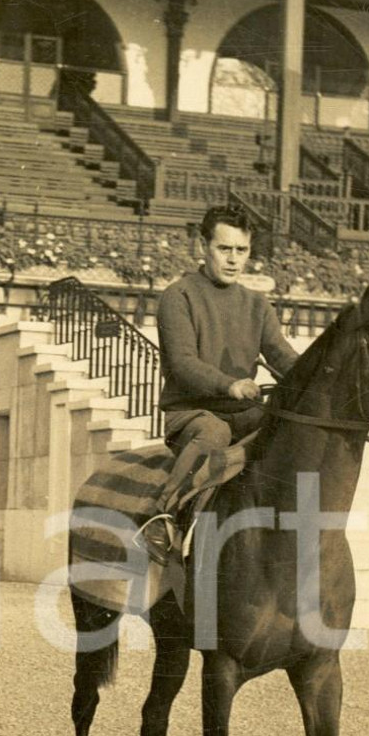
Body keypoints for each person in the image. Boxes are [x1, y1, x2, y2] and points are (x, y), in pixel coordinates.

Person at [140, 204, 301, 563]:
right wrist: (230, 385)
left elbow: (281, 354)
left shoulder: (257, 304)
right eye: (224, 248)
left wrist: (314, 377)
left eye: (241, 250)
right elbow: (182, 364)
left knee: (286, 430)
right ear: (203, 246)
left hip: (244, 412)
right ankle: (162, 517)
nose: (233, 259)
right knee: (214, 432)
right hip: (192, 413)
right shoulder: (179, 295)